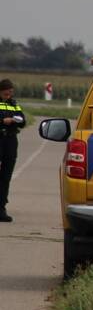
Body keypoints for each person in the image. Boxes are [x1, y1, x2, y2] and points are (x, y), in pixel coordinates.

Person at [0, 80, 26, 223]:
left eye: (10, 92)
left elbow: (23, 121)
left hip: (10, 140)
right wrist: (3, 121)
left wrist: (17, 120)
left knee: (6, 175)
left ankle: (1, 208)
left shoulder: (14, 104)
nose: (9, 94)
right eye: (6, 92)